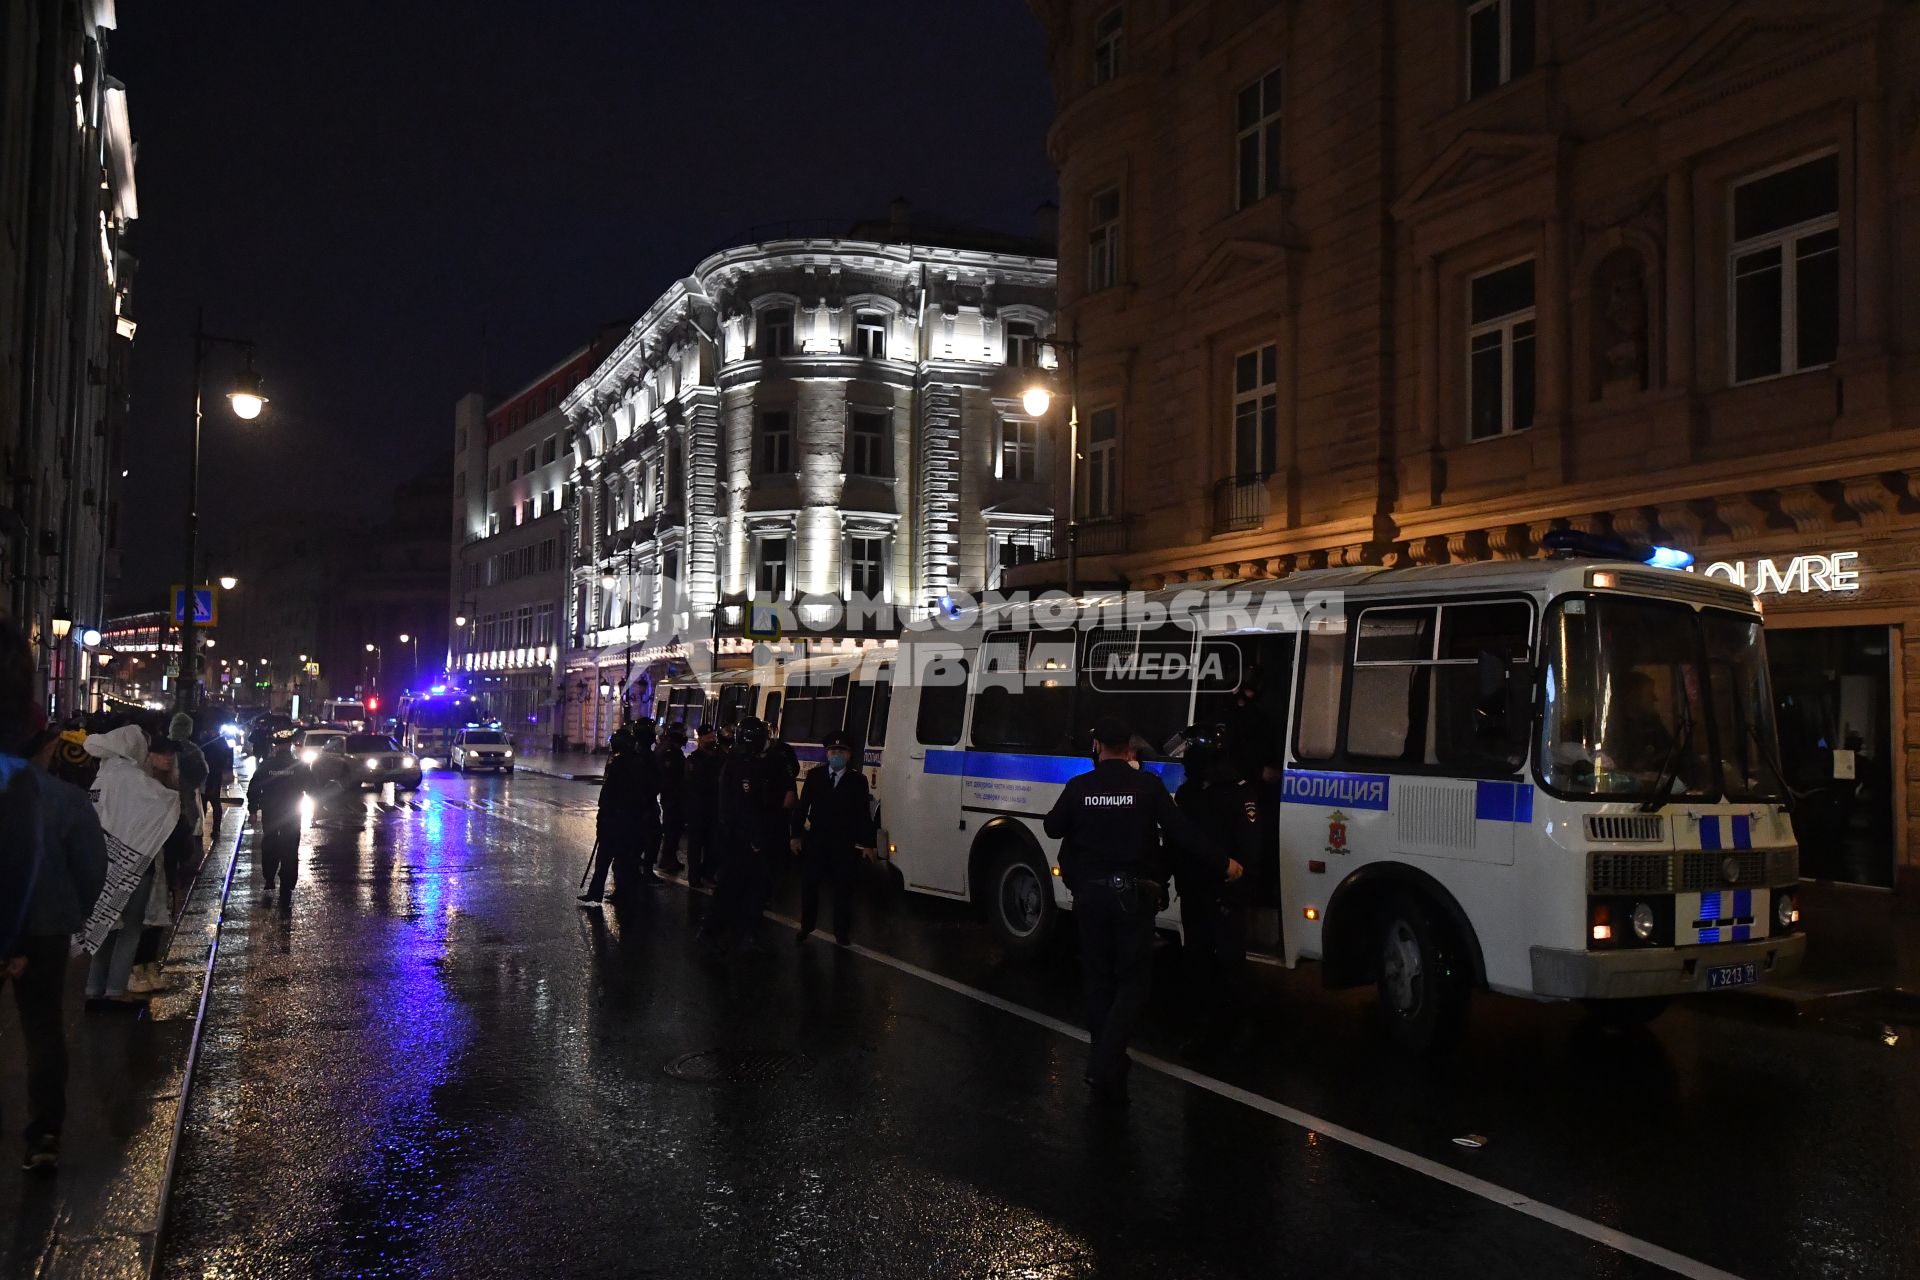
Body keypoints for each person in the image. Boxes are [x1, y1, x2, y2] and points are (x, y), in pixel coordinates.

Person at [1044, 717, 1242, 1108]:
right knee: (1133, 983)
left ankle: (1108, 1062)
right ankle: (1103, 1062)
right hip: (1132, 900)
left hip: (1090, 900)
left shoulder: (1079, 786)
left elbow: (1052, 828)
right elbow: (1183, 834)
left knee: (1099, 981)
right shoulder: (1147, 787)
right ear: (1131, 749)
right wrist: (1224, 864)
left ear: (1097, 747)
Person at [6, 729, 107, 1170]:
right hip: (45, 926)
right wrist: (75, 911)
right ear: (46, 749)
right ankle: (45, 1133)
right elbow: (91, 867)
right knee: (44, 1028)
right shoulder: (65, 799)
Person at [1171, 723, 1261, 1047]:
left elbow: (1248, 849)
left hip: (1221, 892)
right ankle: (1210, 1029)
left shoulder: (1235, 792)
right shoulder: (1192, 793)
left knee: (1224, 961)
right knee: (1202, 960)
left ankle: (1230, 1029)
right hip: (1203, 891)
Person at [80, 724, 179, 1004]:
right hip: (132, 863)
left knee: (106, 926)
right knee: (131, 928)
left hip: (101, 862)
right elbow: (165, 802)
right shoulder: (131, 777)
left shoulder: (103, 775)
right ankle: (115, 990)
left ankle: (93, 988)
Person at [699, 717, 795, 952]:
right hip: (741, 840)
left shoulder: (743, 762)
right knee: (736, 888)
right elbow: (745, 807)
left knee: (749, 888)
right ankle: (718, 932)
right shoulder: (740, 766)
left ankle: (740, 933)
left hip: (741, 838)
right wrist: (754, 838)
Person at [790, 730, 876, 946]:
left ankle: (841, 933)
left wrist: (868, 844)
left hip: (843, 843)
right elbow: (802, 807)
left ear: (848, 755)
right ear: (827, 754)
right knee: (810, 886)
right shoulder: (815, 777)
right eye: (832, 751)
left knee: (843, 890)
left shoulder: (858, 781)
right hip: (817, 840)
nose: (836, 754)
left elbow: (863, 814)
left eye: (841, 751)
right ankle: (807, 925)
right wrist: (795, 835)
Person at [579, 726, 659, 906]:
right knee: (606, 857)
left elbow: (632, 793)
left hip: (621, 818)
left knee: (620, 858)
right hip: (612, 816)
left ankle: (621, 894)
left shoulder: (631, 764)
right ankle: (597, 891)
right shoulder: (620, 761)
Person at [246, 736, 309, 909]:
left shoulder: (266, 765)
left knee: (270, 843)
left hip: (271, 813)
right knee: (290, 847)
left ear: (275, 746)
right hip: (292, 813)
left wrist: (253, 810)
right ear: (289, 746)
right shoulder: (299, 766)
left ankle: (269, 877)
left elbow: (254, 788)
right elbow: (311, 785)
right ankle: (287, 884)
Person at [683, 723, 724, 889]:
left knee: (713, 845)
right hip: (697, 809)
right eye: (708, 738)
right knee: (695, 846)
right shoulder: (693, 760)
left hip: (714, 809)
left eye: (713, 737)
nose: (712, 740)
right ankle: (694, 877)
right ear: (700, 739)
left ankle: (708, 875)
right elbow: (691, 784)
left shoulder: (719, 758)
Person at [655, 723, 689, 876]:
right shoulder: (669, 751)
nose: (685, 736)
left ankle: (669, 859)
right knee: (672, 830)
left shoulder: (669, 749)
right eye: (682, 733)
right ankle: (667, 860)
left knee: (673, 830)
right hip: (673, 797)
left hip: (674, 796)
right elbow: (669, 776)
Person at [199, 723, 235, 841]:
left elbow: (225, 757)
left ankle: (215, 829)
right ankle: (204, 829)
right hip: (207, 775)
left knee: (213, 802)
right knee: (206, 802)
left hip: (213, 775)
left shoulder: (216, 742)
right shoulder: (217, 741)